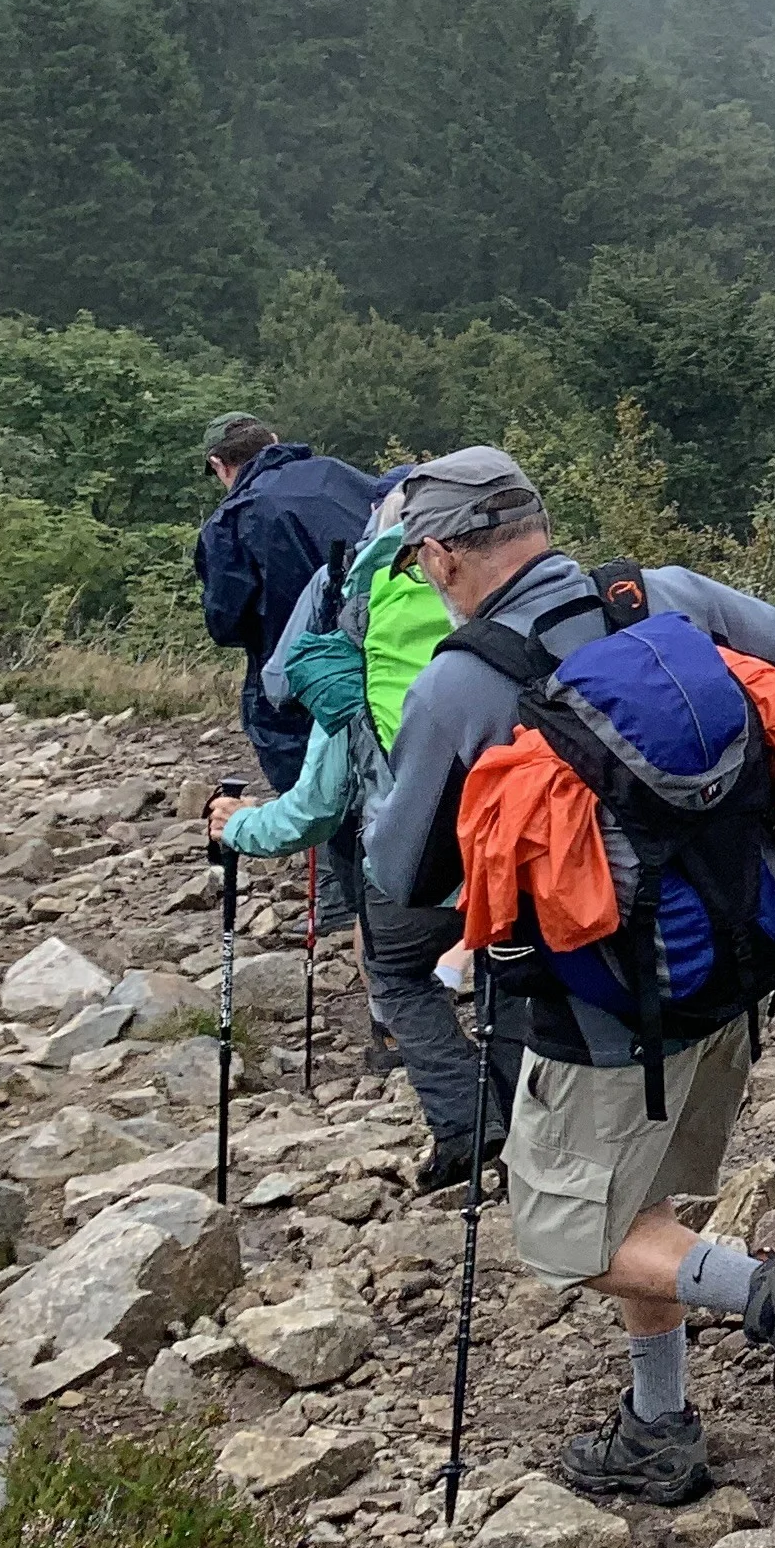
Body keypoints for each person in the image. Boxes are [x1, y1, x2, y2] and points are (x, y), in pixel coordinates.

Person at [361, 445, 775, 1501]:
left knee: (572, 1235)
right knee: (651, 1208)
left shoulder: (464, 684)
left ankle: (767, 1291)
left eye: (421, 565)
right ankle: (660, 1427)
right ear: (538, 525)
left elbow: (397, 870)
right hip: (733, 972)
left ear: (440, 555)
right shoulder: (661, 598)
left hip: (600, 1014)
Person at [222, 473, 507, 1188]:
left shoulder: (356, 640)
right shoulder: (507, 606)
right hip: (522, 844)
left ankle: (467, 1129)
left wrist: (238, 829)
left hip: (415, 863)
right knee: (518, 968)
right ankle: (533, 1119)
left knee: (400, 974)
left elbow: (314, 809)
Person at [194, 415, 379, 799]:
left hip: (294, 677)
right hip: (381, 646)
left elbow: (225, 624)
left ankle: (330, 855)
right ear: (274, 441)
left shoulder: (231, 520)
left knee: (318, 793)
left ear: (218, 464)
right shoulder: (340, 475)